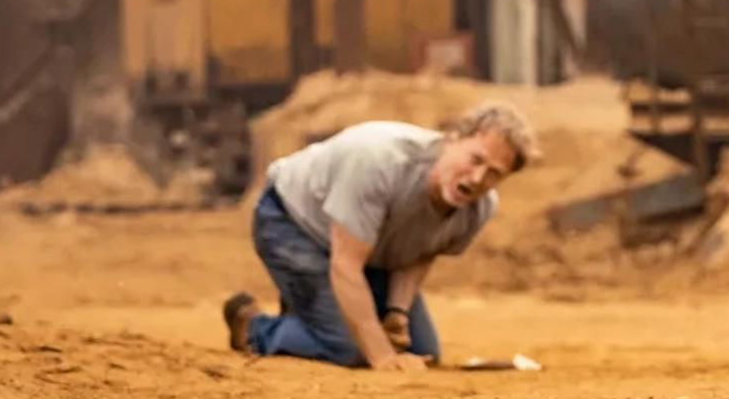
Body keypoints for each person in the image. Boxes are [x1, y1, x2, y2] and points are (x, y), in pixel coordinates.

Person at [223, 102, 538, 370]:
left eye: (494, 173)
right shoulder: (379, 161)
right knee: (354, 350)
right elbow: (345, 266)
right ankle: (253, 327)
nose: (478, 179)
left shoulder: (479, 208)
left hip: (369, 247)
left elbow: (420, 253)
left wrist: (396, 313)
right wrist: (383, 357)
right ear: (454, 139)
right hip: (293, 222)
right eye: (476, 159)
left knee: (422, 351)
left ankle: (314, 314)